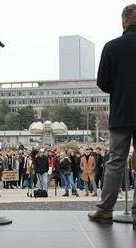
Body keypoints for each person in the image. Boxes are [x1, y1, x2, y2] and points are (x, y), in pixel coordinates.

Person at [88, 4, 136, 229]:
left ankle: (105, 209)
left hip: (121, 112)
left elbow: (102, 82)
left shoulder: (112, 47)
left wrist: (121, 90)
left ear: (123, 22)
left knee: (116, 161)